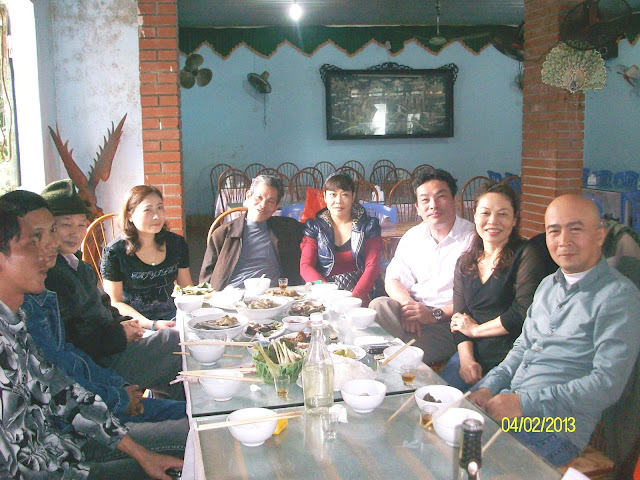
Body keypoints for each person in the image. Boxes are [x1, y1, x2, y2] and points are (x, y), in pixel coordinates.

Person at [0, 200, 185, 480]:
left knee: (193, 432)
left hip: (68, 451)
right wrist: (117, 397)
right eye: (32, 242)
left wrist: (141, 454)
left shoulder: (17, 323)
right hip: (65, 460)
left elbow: (62, 393)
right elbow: (19, 462)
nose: (48, 249)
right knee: (191, 437)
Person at [468, 194, 640, 467]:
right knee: (441, 437)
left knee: (475, 463)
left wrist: (524, 404)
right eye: (554, 231)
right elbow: (522, 349)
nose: (563, 240)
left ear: (599, 235)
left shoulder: (617, 296)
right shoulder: (548, 285)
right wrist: (488, 387)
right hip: (513, 406)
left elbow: (607, 384)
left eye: (575, 229)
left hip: (558, 426)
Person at [40, 179, 183, 400]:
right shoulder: (51, 275)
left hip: (118, 338)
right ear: (49, 228)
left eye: (81, 224)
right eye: (66, 225)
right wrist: (121, 333)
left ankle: (174, 406)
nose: (75, 233)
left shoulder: (78, 266)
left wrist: (123, 323)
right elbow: (74, 338)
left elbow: (104, 305)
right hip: (101, 362)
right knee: (175, 342)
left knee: (177, 350)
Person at [440, 183, 553, 391]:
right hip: (471, 355)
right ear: (475, 216)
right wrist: (466, 361)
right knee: (437, 398)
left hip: (510, 360)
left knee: (472, 407)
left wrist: (476, 330)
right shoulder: (465, 262)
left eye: (502, 214)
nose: (493, 221)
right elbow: (459, 319)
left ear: (514, 219)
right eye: (485, 213)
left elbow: (522, 313)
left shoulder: (527, 254)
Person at [370, 169, 476, 363]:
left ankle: (395, 355)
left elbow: (475, 299)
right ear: (418, 208)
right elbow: (393, 279)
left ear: (454, 200)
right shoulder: (413, 236)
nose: (433, 205)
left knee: (403, 355)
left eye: (440, 196)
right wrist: (409, 307)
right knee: (379, 306)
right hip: (415, 309)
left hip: (448, 320)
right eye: (425, 200)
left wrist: (432, 315)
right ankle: (392, 351)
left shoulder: (473, 239)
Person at [101, 185, 193, 330]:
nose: (156, 216)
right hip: (134, 325)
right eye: (147, 210)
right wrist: (152, 324)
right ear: (129, 215)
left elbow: (187, 288)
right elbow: (115, 303)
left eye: (160, 208)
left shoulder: (176, 243)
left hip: (173, 319)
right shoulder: (115, 252)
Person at [199, 174, 304, 289]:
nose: (263, 205)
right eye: (259, 197)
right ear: (248, 196)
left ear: (276, 206)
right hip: (233, 293)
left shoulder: (287, 228)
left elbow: (315, 230)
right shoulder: (223, 234)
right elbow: (206, 277)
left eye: (270, 201)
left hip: (273, 293)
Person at [299, 173, 382, 304]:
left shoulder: (368, 226)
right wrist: (326, 291)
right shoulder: (314, 227)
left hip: (363, 293)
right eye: (333, 194)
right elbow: (305, 266)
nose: (338, 201)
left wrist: (354, 298)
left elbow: (372, 266)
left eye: (345, 195)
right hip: (326, 295)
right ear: (324, 196)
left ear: (353, 197)